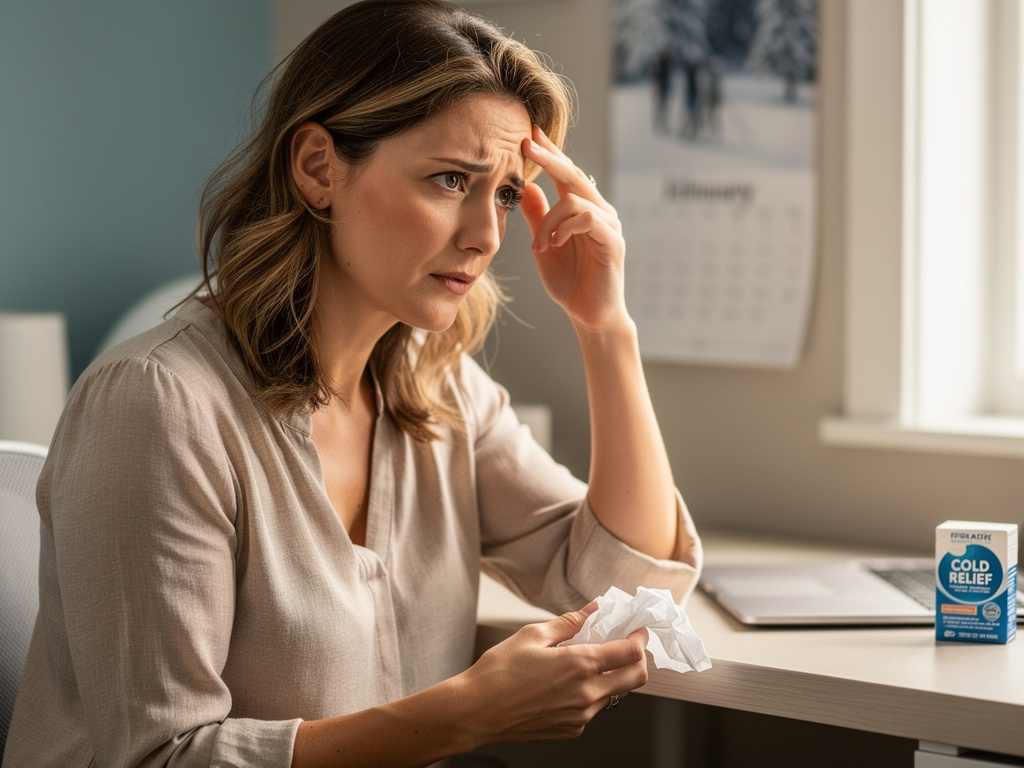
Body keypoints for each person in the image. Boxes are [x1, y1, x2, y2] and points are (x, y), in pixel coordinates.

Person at [2, 1, 703, 766]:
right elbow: (162, 757)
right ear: (317, 168)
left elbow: (627, 584)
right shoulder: (155, 404)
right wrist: (464, 715)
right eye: (449, 180)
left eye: (506, 193)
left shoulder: (441, 392)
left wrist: (607, 330)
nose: (487, 235)